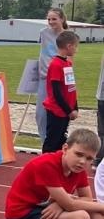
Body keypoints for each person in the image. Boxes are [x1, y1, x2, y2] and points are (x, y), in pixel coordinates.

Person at [42, 29, 80, 153]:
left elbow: (71, 88)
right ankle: (43, 166)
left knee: (60, 142)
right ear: (69, 46)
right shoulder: (56, 64)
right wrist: (69, 110)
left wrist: (75, 107)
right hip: (57, 111)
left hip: (65, 111)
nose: (76, 50)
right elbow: (57, 92)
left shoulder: (68, 63)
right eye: (75, 46)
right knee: (52, 142)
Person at [37, 8, 67, 146]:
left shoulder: (67, 36)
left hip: (59, 79)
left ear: (61, 19)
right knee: (41, 114)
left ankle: (57, 143)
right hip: (44, 78)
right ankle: (45, 143)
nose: (51, 22)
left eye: (54, 19)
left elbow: (70, 59)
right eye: (49, 19)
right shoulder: (43, 33)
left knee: (58, 112)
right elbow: (41, 53)